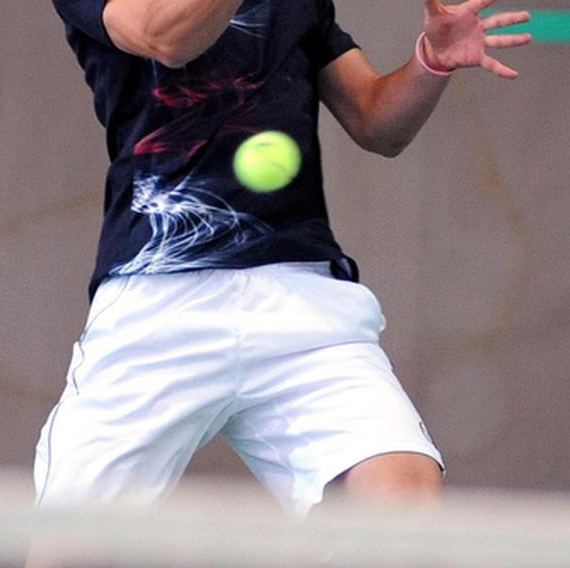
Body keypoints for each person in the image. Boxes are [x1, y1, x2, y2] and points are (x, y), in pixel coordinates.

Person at [38, 0, 531, 514]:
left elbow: (377, 122)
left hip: (303, 303)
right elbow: (166, 37)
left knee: (400, 513)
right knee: (73, 550)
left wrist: (433, 58)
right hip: (158, 304)